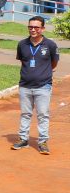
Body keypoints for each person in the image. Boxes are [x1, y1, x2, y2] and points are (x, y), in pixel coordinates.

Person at [12, 16, 59, 154]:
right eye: (30, 27)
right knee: (25, 114)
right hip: (25, 86)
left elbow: (54, 63)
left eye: (36, 27)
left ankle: (43, 141)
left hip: (43, 86)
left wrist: (43, 73)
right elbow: (23, 61)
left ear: (42, 28)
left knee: (43, 114)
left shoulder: (50, 45)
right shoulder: (22, 44)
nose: (33, 30)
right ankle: (23, 139)